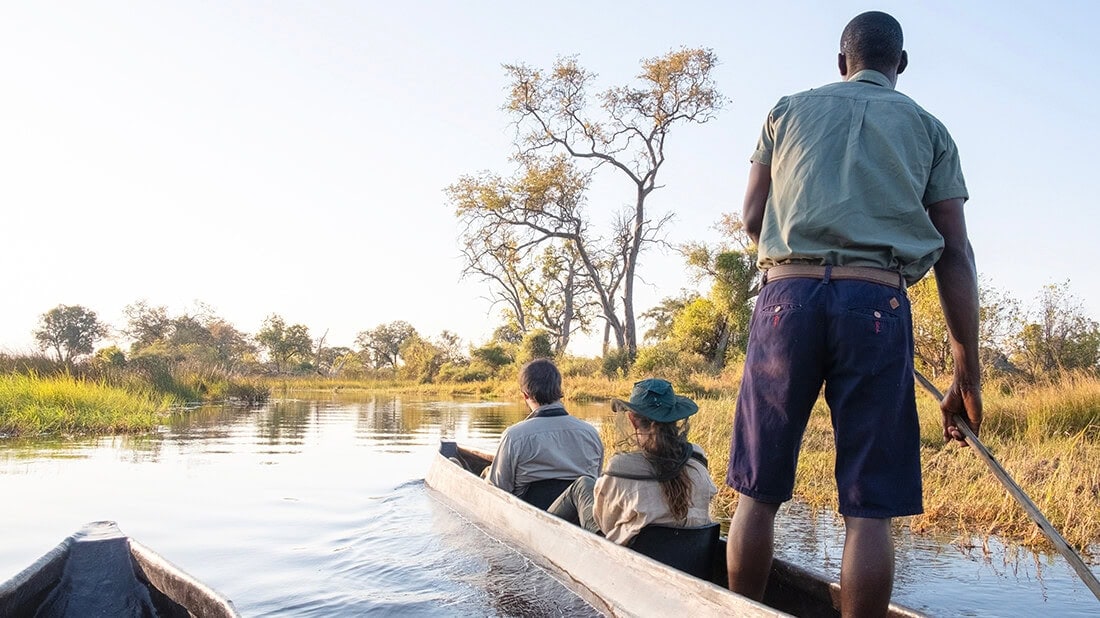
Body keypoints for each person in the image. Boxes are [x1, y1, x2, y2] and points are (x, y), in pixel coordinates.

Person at [725, 11, 983, 617]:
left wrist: (796, 265)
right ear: (901, 65)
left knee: (756, 495)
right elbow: (956, 253)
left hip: (785, 299)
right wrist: (965, 370)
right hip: (876, 304)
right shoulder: (928, 127)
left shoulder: (785, 111)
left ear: (842, 63)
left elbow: (751, 218)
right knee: (869, 509)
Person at [549, 378, 717, 545]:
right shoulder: (697, 457)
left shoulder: (620, 468)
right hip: (689, 555)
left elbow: (605, 524)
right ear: (676, 419)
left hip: (628, 560)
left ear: (632, 419)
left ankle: (541, 531)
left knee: (582, 485)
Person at [485, 358, 603, 504]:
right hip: (579, 519)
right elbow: (596, 481)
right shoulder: (591, 433)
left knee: (486, 473)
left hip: (529, 517)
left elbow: (497, 491)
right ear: (559, 389)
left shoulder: (514, 436)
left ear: (525, 395)